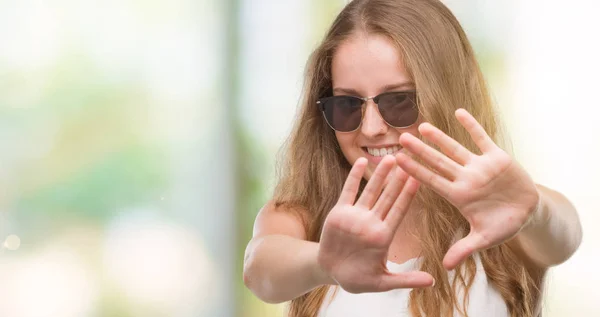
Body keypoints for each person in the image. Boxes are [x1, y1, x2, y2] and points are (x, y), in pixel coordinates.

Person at [242, 0, 583, 316]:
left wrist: (534, 212)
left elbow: (564, 234)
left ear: (445, 96)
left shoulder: (503, 210)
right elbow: (260, 268)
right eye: (347, 105)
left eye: (399, 101)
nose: (372, 128)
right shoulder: (303, 216)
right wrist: (324, 263)